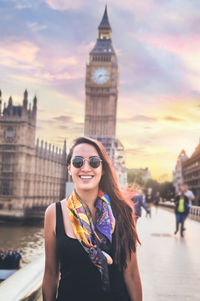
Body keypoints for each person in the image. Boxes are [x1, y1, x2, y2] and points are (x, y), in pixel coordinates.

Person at [42, 137, 142, 301]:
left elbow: (131, 273)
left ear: (103, 169)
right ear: (69, 168)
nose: (86, 167)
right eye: (78, 162)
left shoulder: (122, 212)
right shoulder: (54, 213)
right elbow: (51, 273)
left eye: (94, 162)